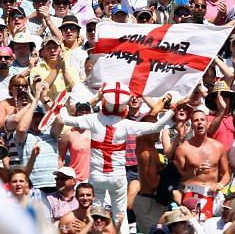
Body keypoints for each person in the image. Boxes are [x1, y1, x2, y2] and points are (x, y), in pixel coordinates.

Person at [59, 82, 179, 234]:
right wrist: (171, 111)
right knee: (120, 214)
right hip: (118, 177)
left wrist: (60, 107)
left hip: (97, 176)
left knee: (97, 214)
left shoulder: (93, 119)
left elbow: (65, 119)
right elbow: (156, 127)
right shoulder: (126, 124)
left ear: (104, 102)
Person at [174, 109, 231, 220]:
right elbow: (178, 177)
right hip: (191, 193)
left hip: (212, 192)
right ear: (192, 125)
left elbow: (226, 174)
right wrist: (194, 173)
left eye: (202, 120)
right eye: (196, 120)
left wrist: (220, 185)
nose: (199, 122)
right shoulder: (183, 149)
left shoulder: (218, 147)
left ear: (207, 123)